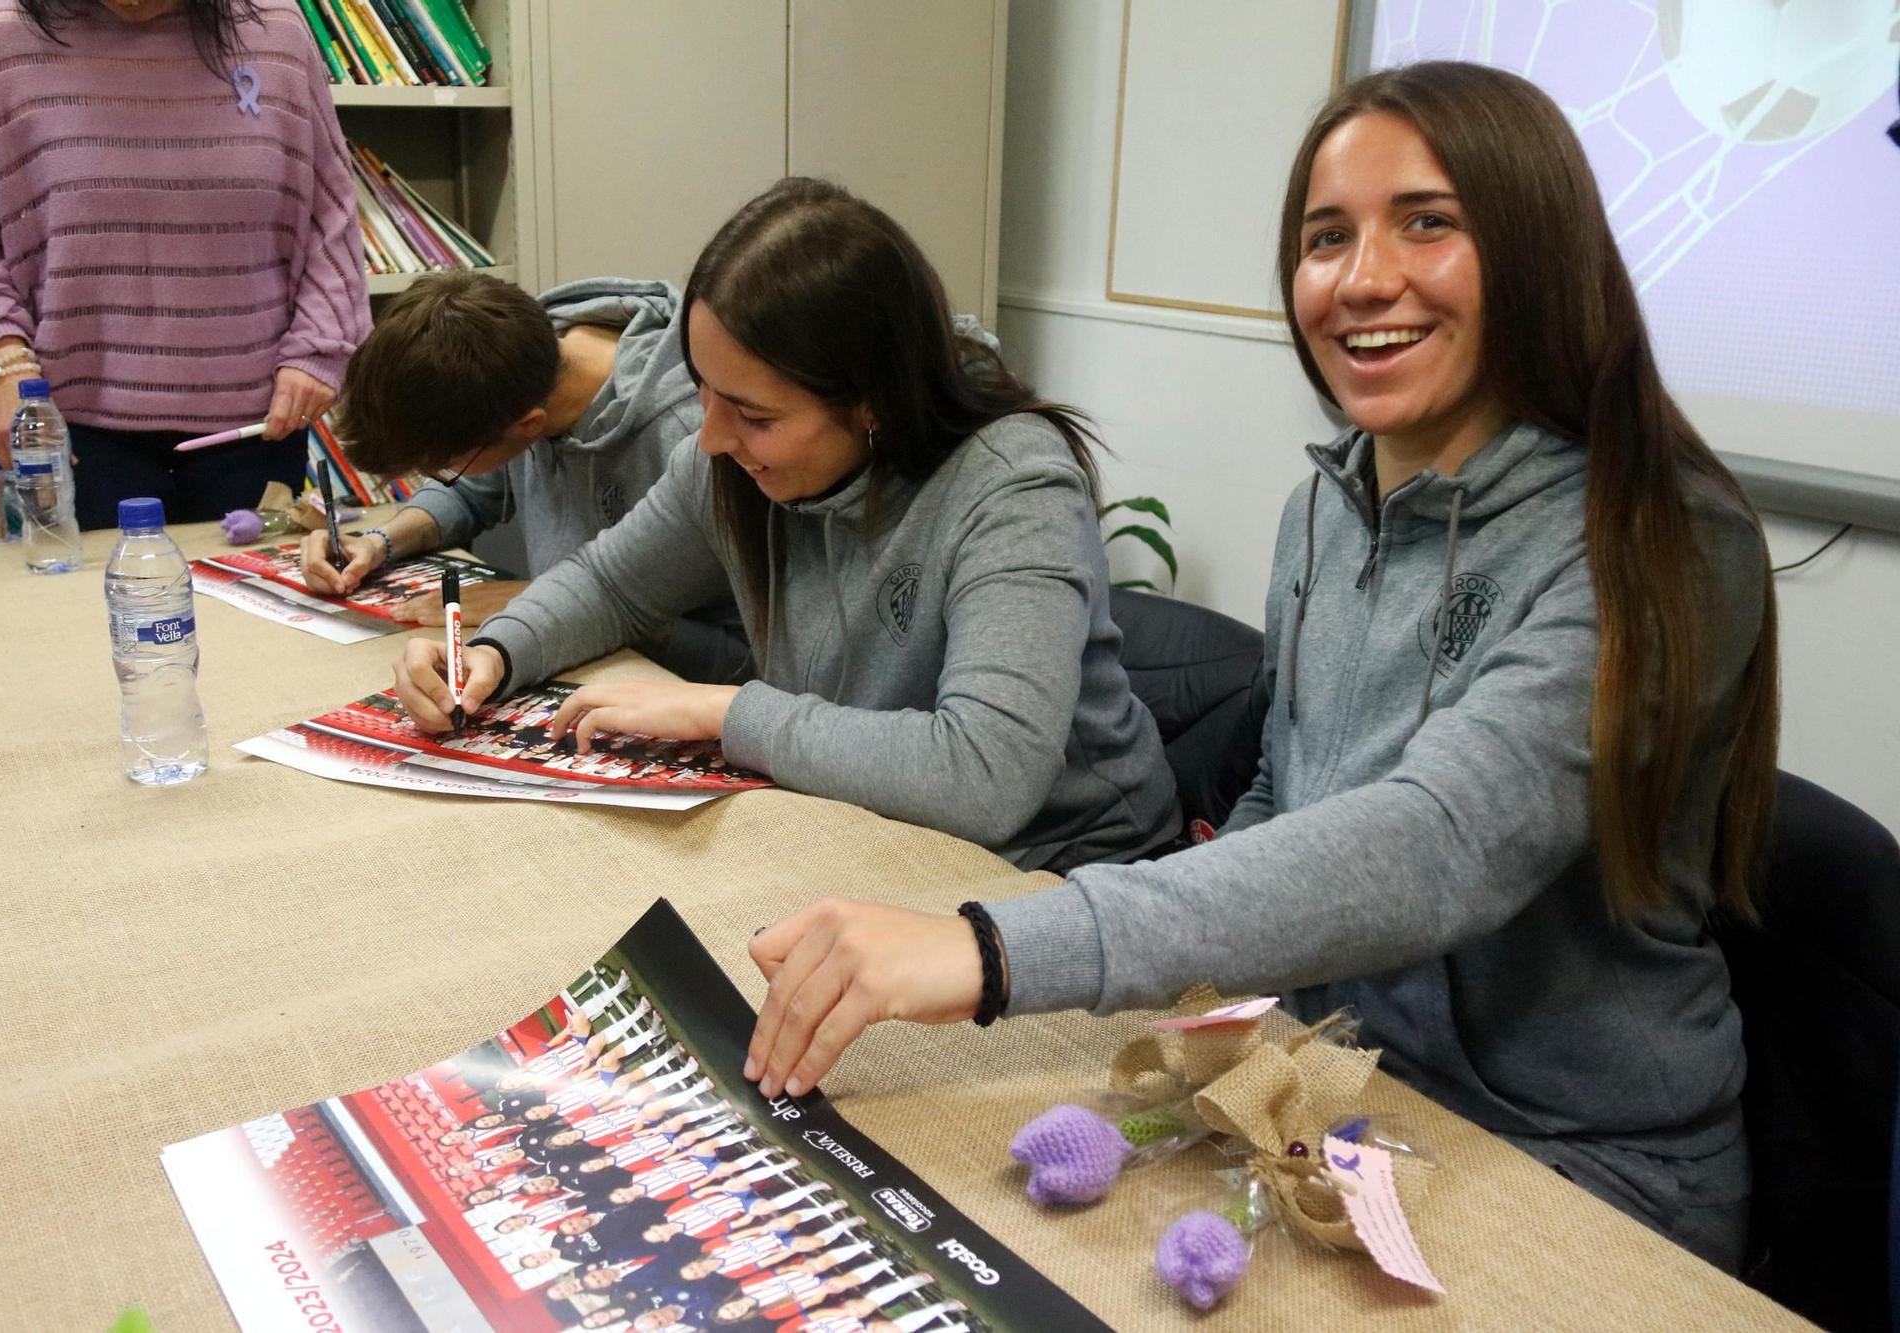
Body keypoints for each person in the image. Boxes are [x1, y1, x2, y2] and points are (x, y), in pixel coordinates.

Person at [739, 63, 1782, 1273]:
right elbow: (1287, 801)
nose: (1361, 277)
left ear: (1538, 252)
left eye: (1427, 223)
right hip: (1341, 1080)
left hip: (1581, 1160)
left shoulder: (1663, 536)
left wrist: (994, 947)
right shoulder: (1320, 513)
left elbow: (1439, 842)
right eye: (1324, 236)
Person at [391, 178, 1180, 873]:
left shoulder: (1013, 486)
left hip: (1059, 866)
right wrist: (496, 653)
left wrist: (728, 713)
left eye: (755, 415)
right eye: (703, 391)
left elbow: (983, 773)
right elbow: (611, 583)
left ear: (874, 402)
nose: (710, 438)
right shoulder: (732, 458)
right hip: (864, 827)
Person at [0, 0, 367, 527]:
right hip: (72, 436)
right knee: (83, 610)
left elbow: (331, 219)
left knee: (257, 607)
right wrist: (3, 361)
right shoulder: (1, 36)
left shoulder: (277, 29)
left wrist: (318, 350)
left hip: (257, 427)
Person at [304, 271, 750, 683]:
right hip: (568, 644)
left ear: (531, 427)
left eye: (443, 466)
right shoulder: (514, 365)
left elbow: (748, 653)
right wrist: (379, 542)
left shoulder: (694, 437)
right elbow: (471, 490)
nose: (442, 477)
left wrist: (545, 601)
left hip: (678, 681)